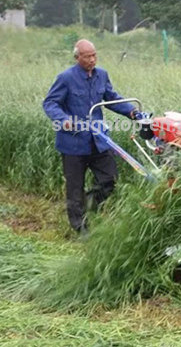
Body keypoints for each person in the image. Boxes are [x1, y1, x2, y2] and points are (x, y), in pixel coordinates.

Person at [43, 39, 141, 236]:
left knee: (109, 180)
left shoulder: (101, 75)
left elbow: (112, 98)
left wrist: (132, 112)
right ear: (77, 57)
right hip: (73, 143)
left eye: (94, 55)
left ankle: (87, 204)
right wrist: (64, 119)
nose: (92, 59)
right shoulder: (66, 78)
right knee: (74, 187)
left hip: (98, 141)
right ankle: (80, 228)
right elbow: (50, 103)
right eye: (87, 56)